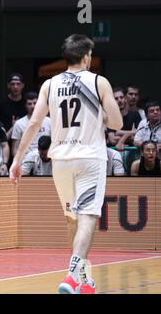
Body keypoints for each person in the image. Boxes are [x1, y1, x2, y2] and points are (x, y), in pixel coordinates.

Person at [9, 34, 123, 294]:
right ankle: (72, 275)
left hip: (60, 161)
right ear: (86, 57)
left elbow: (35, 123)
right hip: (89, 158)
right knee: (87, 217)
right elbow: (116, 123)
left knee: (72, 220)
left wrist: (17, 159)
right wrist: (98, 113)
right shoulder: (98, 81)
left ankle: (84, 280)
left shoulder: (50, 84)